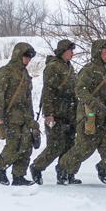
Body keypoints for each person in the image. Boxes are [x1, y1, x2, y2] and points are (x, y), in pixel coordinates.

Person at [57, 39, 106, 187]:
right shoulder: (88, 70)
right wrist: (96, 104)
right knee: (84, 148)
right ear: (98, 53)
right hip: (90, 116)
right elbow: (80, 90)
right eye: (105, 52)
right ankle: (63, 168)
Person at [0, 41, 38, 185]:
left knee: (26, 146)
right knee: (13, 145)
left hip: (24, 116)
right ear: (18, 55)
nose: (28, 59)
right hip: (10, 115)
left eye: (30, 57)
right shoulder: (5, 72)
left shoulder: (25, 73)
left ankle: (19, 176)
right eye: (26, 56)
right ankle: (0, 169)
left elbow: (28, 99)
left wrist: (31, 119)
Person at [30, 39, 77, 185]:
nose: (72, 53)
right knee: (55, 146)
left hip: (69, 113)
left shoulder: (69, 67)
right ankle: (37, 167)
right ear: (63, 51)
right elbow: (48, 92)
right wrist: (49, 113)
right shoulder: (53, 67)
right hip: (56, 113)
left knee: (69, 145)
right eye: (70, 50)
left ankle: (64, 172)